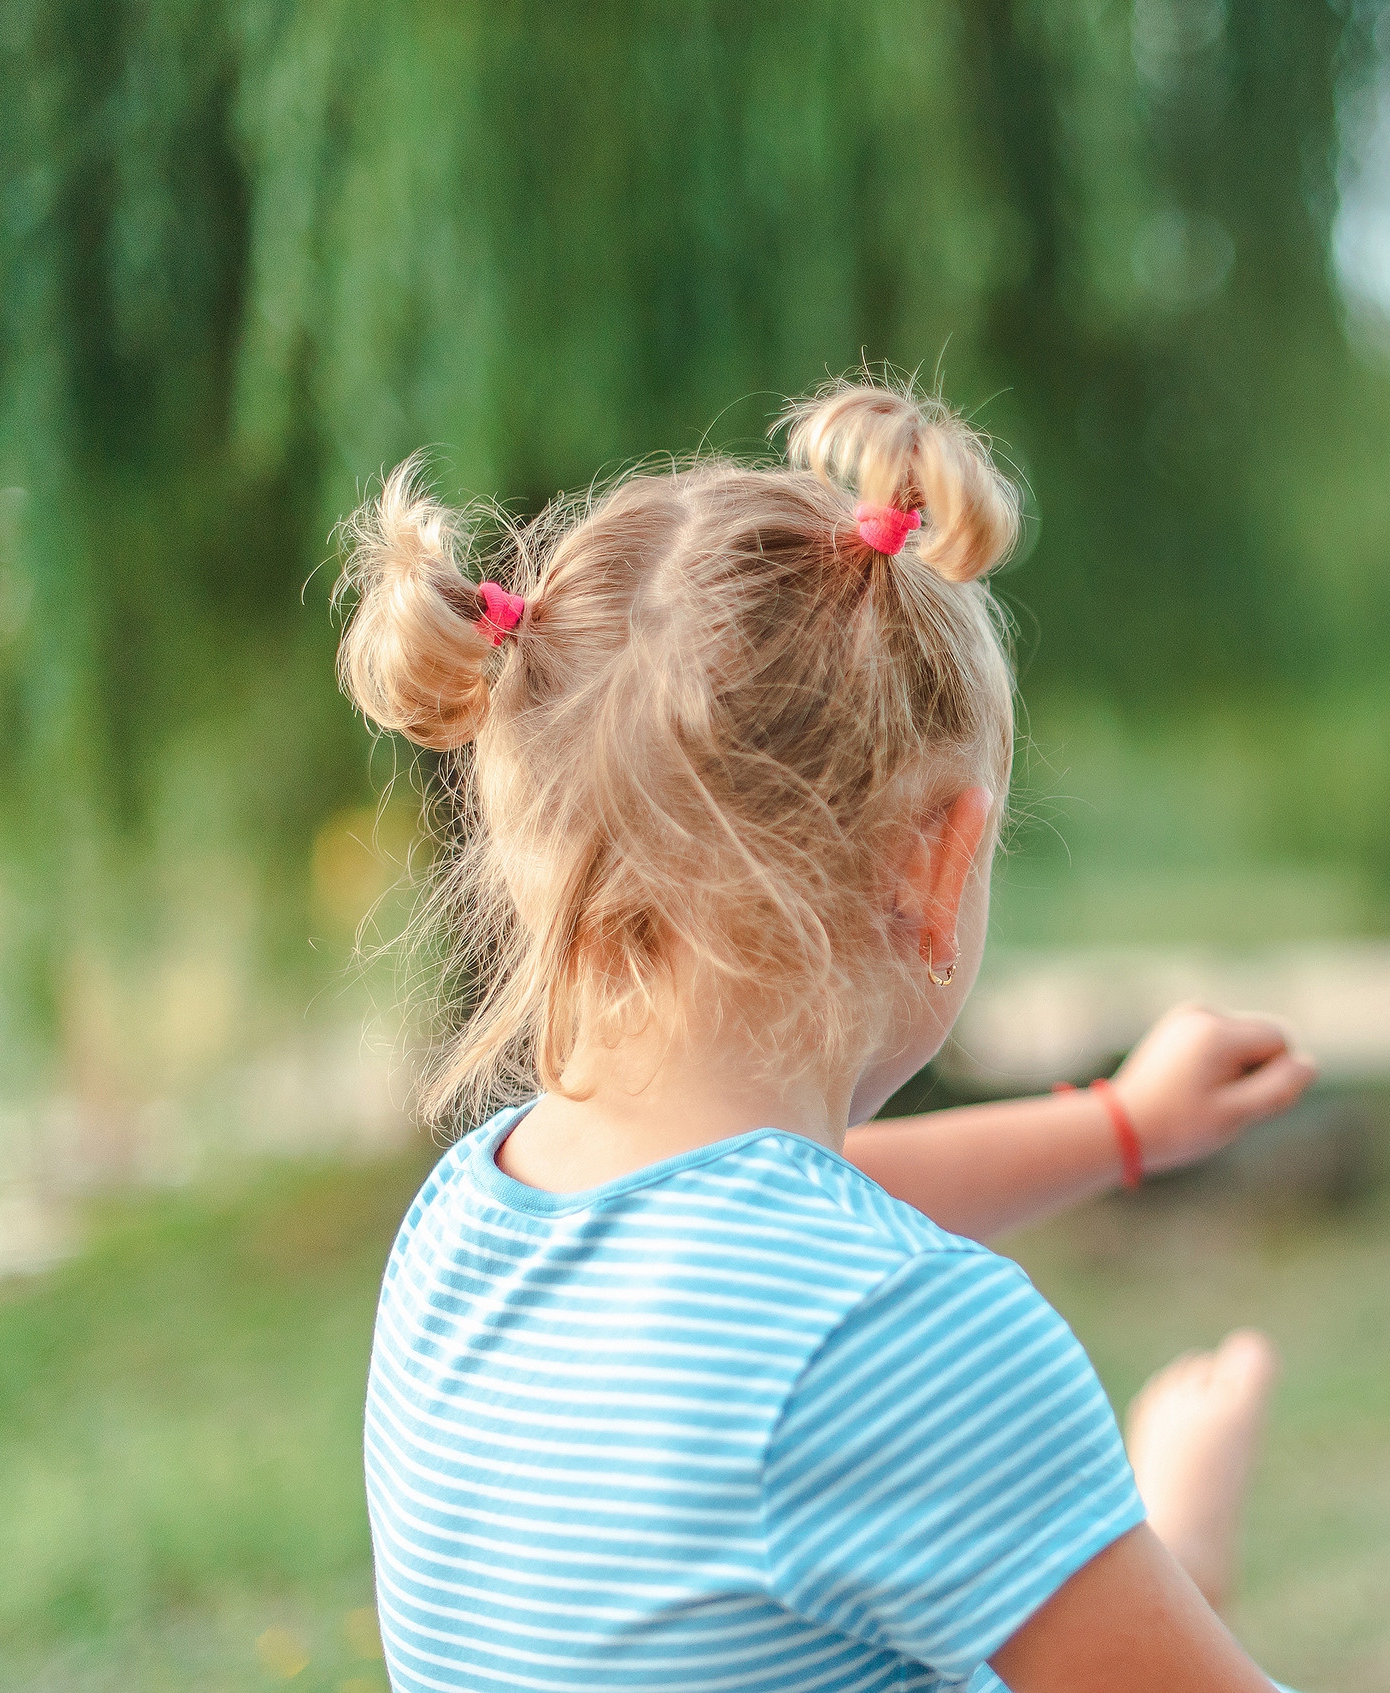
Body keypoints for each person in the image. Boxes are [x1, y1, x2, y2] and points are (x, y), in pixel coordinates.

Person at [340, 377, 1316, 1692]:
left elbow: (781, 1207)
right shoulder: (898, 1332)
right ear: (936, 863)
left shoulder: (463, 1224)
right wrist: (1180, 1538)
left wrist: (1123, 1126)